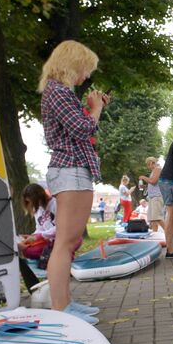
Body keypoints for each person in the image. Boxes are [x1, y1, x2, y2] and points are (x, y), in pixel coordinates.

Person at [39, 40, 106, 321]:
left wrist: (92, 107)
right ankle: (61, 309)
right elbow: (83, 127)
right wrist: (95, 109)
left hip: (73, 169)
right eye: (85, 69)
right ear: (73, 64)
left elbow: (83, 126)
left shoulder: (60, 93)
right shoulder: (58, 92)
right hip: (70, 169)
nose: (87, 76)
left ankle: (66, 303)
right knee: (65, 242)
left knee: (70, 241)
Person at [17, 183, 58, 261]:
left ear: (39, 197)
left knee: (29, 251)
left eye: (32, 202)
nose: (32, 205)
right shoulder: (38, 209)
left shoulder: (55, 203)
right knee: (25, 248)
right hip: (47, 239)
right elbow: (40, 228)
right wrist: (31, 236)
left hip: (59, 239)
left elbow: (60, 228)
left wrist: (38, 237)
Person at [140, 156, 165, 237]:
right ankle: (155, 236)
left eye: (148, 164)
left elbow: (153, 181)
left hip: (156, 197)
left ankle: (170, 235)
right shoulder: (154, 171)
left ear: (151, 163)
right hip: (152, 197)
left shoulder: (158, 169)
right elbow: (152, 183)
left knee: (158, 218)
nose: (148, 167)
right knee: (153, 219)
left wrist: (144, 177)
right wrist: (145, 186)